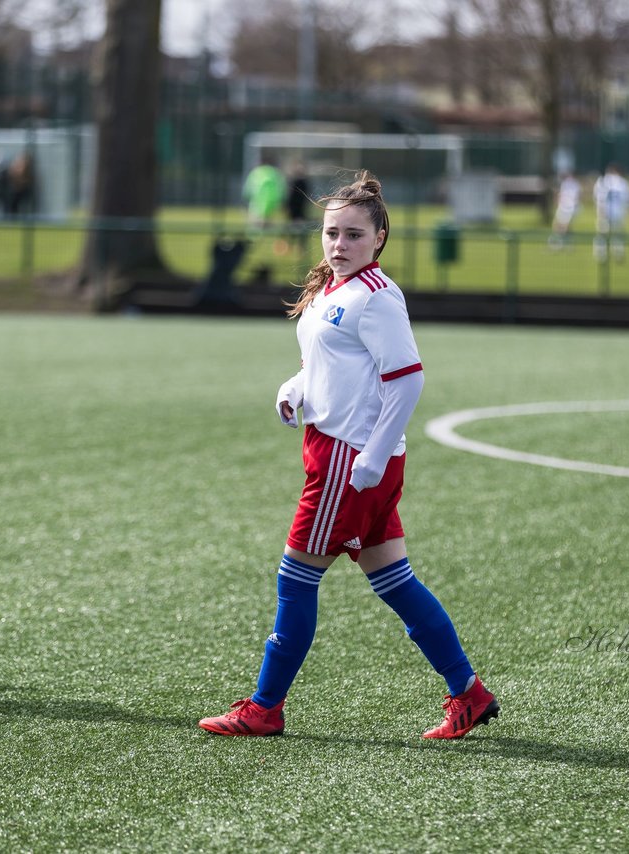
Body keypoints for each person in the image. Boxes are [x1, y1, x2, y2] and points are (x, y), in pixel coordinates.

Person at [199, 170, 499, 740]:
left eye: (354, 235)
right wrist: (297, 388)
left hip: (350, 460)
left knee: (295, 580)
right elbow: (331, 367)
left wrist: (371, 457)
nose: (340, 245)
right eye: (332, 233)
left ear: (380, 237)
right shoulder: (332, 291)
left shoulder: (377, 298)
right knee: (396, 582)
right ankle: (470, 694)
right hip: (342, 453)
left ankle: (264, 709)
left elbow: (407, 381)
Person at [593, 163, 629, 262]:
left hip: (604, 212)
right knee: (617, 235)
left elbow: (597, 198)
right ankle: (618, 254)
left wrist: (600, 209)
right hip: (618, 213)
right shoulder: (623, 182)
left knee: (602, 235)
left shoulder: (602, 181)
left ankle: (600, 254)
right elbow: (628, 199)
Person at [241, 155, 286, 236]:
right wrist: (280, 199)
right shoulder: (275, 173)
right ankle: (265, 233)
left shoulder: (257, 172)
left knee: (256, 221)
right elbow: (281, 188)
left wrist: (246, 197)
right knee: (266, 220)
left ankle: (256, 235)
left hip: (257, 201)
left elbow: (249, 187)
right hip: (271, 201)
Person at [548, 171, 581, 250]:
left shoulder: (575, 184)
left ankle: (565, 244)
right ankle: (559, 243)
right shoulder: (565, 183)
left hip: (570, 208)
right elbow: (561, 194)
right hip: (562, 207)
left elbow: (577, 196)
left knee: (566, 227)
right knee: (556, 224)